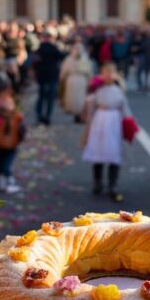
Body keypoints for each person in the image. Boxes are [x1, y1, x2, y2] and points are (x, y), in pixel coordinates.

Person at [82, 62, 132, 202]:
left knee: (113, 152)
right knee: (98, 152)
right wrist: (88, 126)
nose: (109, 75)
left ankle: (112, 185)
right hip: (100, 121)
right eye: (106, 72)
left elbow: (125, 107)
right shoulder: (96, 90)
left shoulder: (119, 90)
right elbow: (90, 108)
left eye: (111, 72)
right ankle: (97, 182)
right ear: (101, 74)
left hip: (114, 122)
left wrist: (129, 122)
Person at [0, 89, 25, 193]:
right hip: (10, 144)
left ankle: (0, 179)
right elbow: (22, 130)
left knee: (1, 161)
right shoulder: (16, 117)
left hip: (0, 144)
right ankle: (6, 181)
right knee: (6, 163)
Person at [33, 30, 65, 125]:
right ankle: (47, 116)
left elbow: (34, 63)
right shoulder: (53, 48)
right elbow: (61, 56)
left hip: (42, 75)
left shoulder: (39, 49)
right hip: (51, 75)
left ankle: (40, 116)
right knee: (49, 97)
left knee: (42, 96)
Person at [59, 42, 93, 121]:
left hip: (76, 79)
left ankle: (79, 114)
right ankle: (77, 114)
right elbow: (89, 72)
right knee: (75, 98)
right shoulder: (73, 59)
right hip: (76, 79)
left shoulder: (71, 59)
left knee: (80, 98)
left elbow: (63, 72)